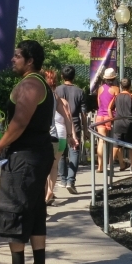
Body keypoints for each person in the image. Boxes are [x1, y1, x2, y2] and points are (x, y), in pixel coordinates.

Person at [0, 40, 55, 264]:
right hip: (38, 154)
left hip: (24, 157)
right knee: (35, 210)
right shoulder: (41, 84)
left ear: (30, 61)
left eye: (17, 56)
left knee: (13, 208)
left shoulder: (30, 84)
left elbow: (20, 123)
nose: (13, 59)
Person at [42, 69, 78, 206]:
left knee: (44, 168)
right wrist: (71, 136)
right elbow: (69, 118)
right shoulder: (59, 100)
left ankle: (45, 194)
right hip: (59, 138)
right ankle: (50, 190)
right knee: (53, 166)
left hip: (47, 137)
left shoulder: (41, 96)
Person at [55, 65, 86, 194]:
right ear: (74, 77)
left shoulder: (56, 90)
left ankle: (63, 179)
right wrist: (86, 129)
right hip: (74, 124)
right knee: (74, 151)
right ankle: (71, 180)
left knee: (61, 153)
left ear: (62, 76)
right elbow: (83, 113)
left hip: (59, 124)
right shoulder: (80, 91)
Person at [108, 78, 132, 171]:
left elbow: (109, 108)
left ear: (121, 86)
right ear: (130, 86)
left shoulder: (117, 97)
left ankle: (110, 165)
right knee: (131, 146)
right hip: (129, 123)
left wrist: (112, 119)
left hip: (118, 122)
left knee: (116, 145)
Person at [94, 68, 119, 172]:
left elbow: (99, 103)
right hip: (110, 117)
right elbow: (117, 104)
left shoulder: (100, 89)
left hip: (100, 116)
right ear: (114, 78)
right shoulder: (116, 89)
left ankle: (100, 166)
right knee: (112, 141)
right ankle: (110, 163)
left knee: (101, 141)